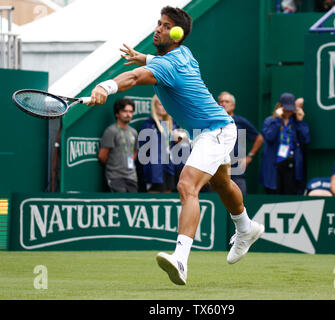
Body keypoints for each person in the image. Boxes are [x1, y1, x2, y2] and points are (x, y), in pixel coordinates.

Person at [88, 6, 264, 285]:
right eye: (158, 23)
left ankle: (180, 259)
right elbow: (154, 63)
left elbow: (134, 78)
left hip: (216, 131)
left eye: (166, 25)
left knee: (187, 185)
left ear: (177, 34)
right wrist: (143, 56)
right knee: (221, 184)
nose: (158, 28)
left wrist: (105, 87)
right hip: (211, 130)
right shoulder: (183, 54)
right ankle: (246, 227)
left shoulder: (167, 65)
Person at [259, 93, 310, 195]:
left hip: (291, 165)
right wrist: (278, 119)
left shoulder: (296, 122)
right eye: (286, 109)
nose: (288, 112)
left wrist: (300, 121)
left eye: (291, 109)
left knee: (290, 192)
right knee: (273, 194)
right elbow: (269, 137)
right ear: (280, 107)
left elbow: (306, 139)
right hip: (274, 165)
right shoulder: (270, 121)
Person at [218, 91, 264, 195]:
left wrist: (249, 157)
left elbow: (259, 138)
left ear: (233, 106)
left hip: (236, 171)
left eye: (226, 101)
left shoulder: (240, 122)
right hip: (217, 169)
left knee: (238, 202)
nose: (223, 104)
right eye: (221, 101)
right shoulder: (213, 122)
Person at [98, 98, 139, 192]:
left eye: (130, 111)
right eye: (124, 111)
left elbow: (135, 152)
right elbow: (102, 156)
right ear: (117, 113)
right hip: (115, 177)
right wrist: (115, 166)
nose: (128, 114)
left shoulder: (133, 132)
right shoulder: (111, 131)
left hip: (132, 177)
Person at [139, 94, 177, 193]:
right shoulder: (149, 125)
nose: (164, 107)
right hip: (154, 170)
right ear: (154, 106)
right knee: (154, 198)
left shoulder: (171, 125)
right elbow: (143, 152)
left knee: (168, 200)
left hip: (169, 168)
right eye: (161, 104)